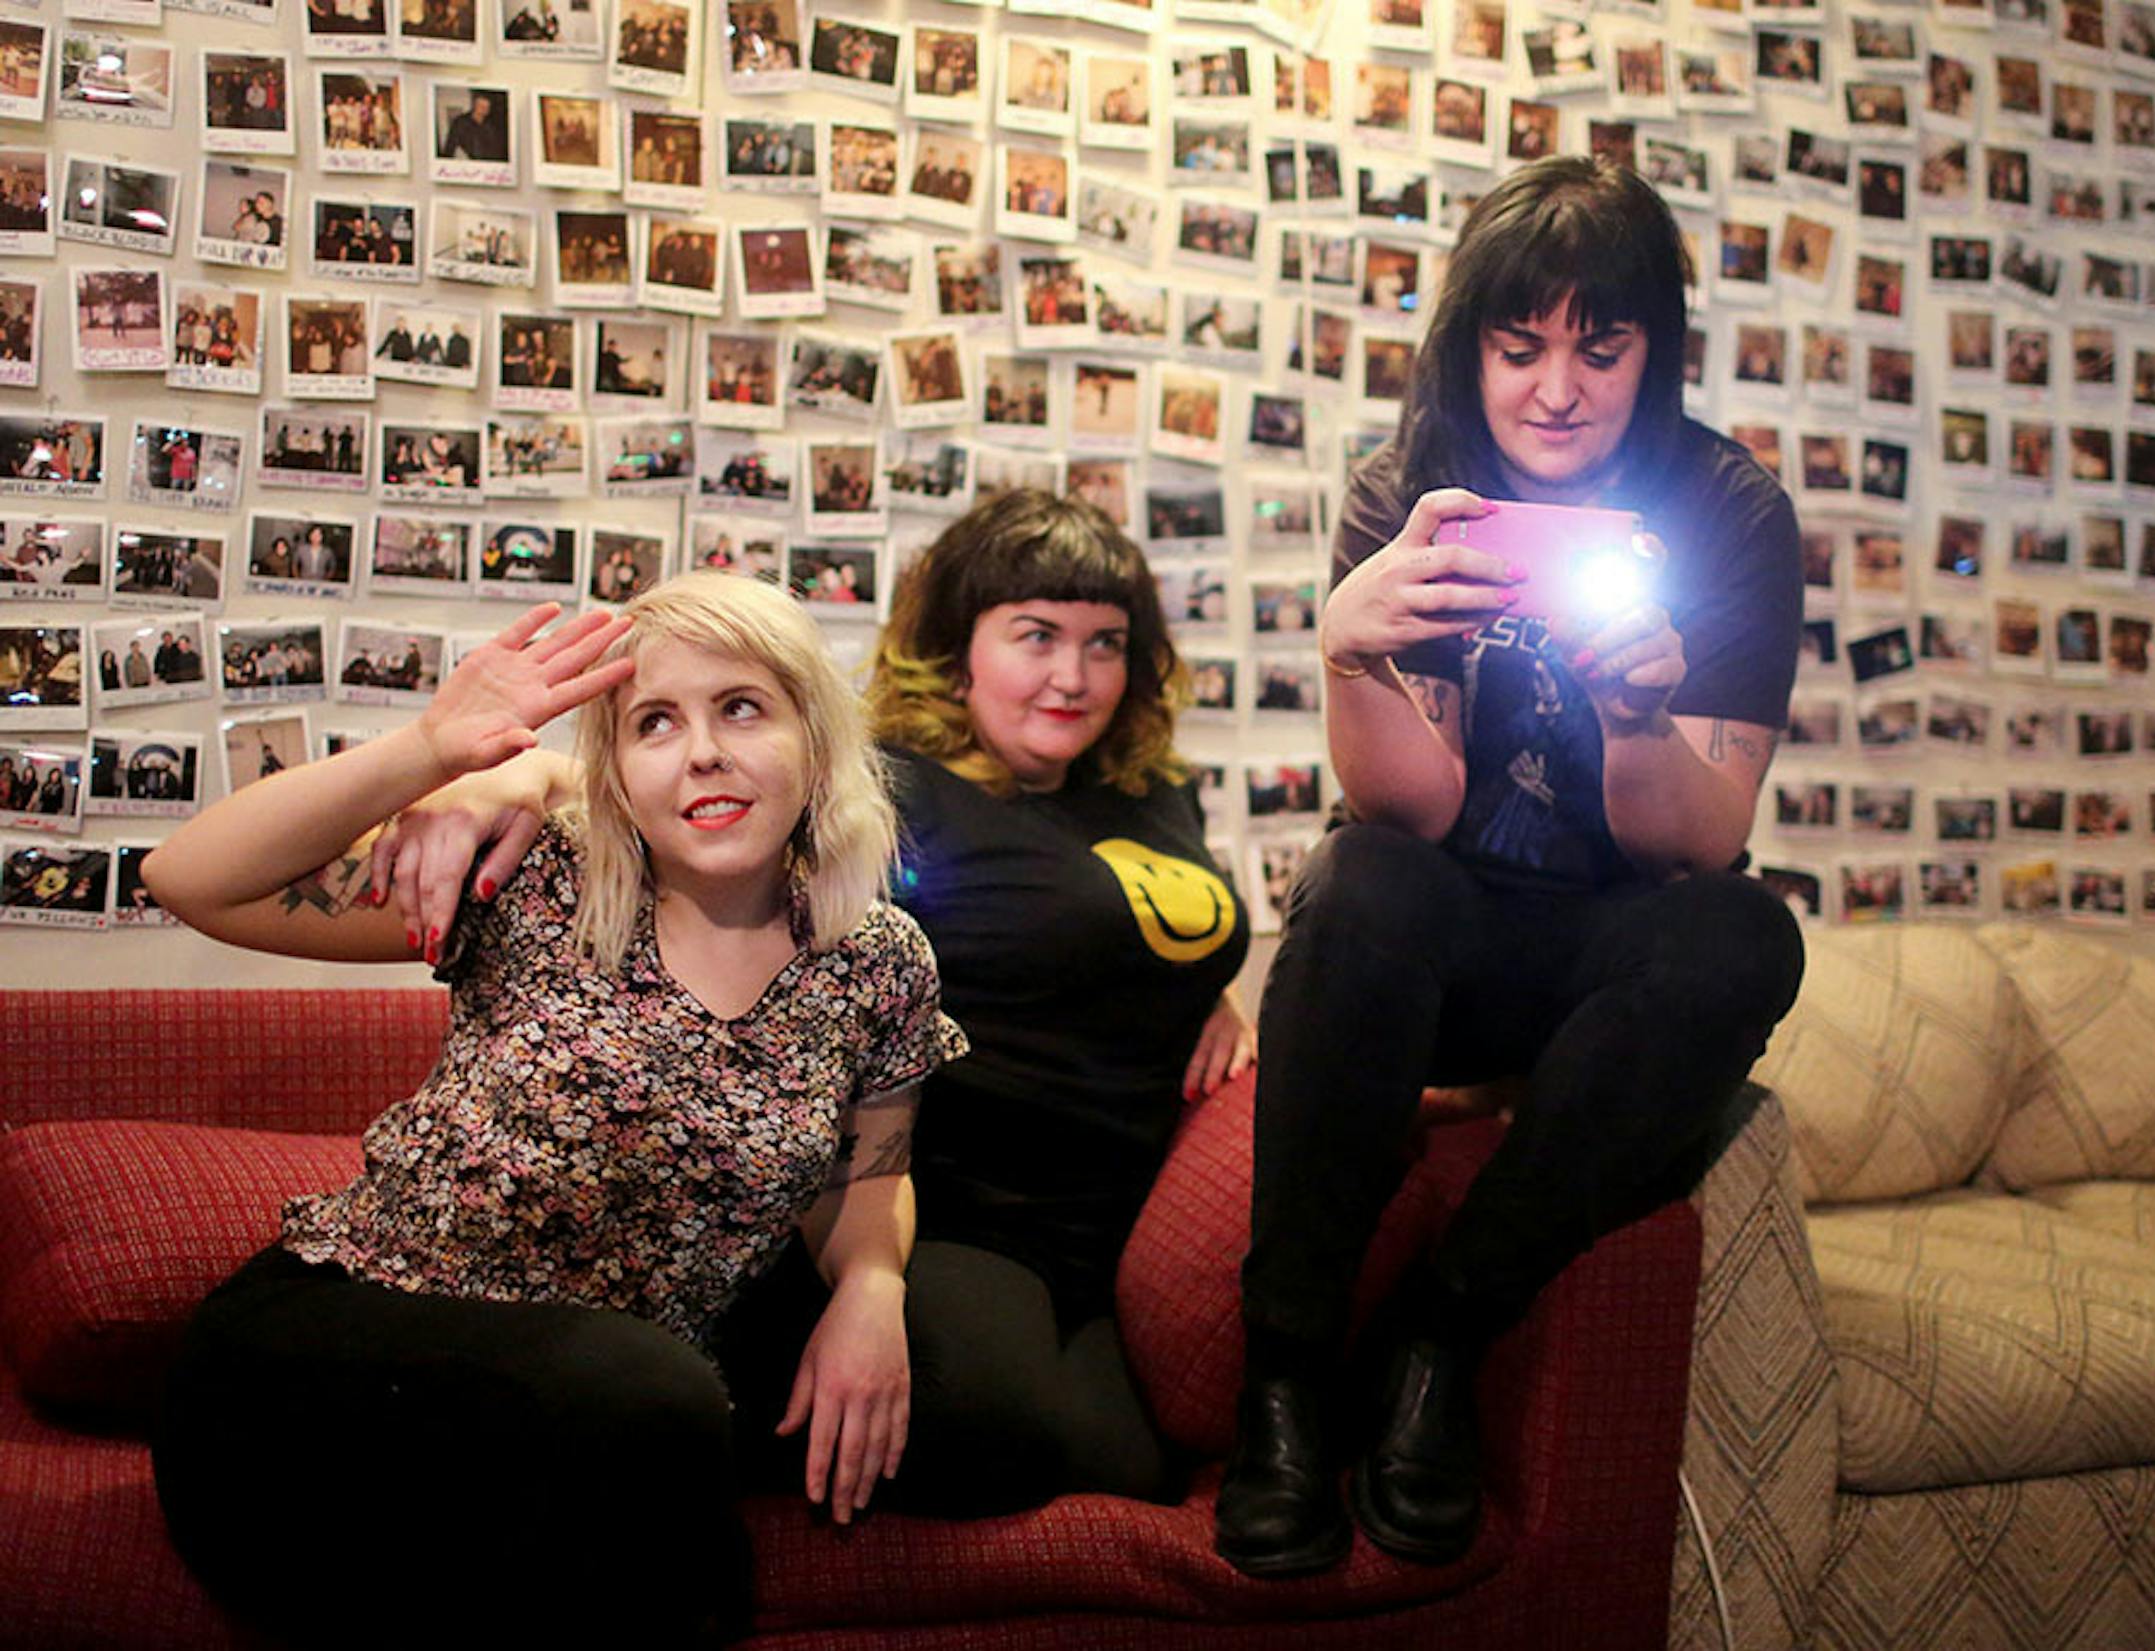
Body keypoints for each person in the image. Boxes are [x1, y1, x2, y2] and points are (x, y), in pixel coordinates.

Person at [369, 491, 1254, 1515]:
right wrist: (511, 779)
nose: (1074, 674)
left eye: (1106, 643)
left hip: (1108, 1209)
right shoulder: (897, 793)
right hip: (954, 1201)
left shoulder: (1156, 790)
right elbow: (695, 803)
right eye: (1036, 636)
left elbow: (1143, 921)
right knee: (1006, 1441)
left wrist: (1213, 992)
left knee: (1140, 1472)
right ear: (956, 648)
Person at [146, 580, 967, 1645]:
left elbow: (866, 1186)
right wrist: (438, 751)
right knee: (655, 1405)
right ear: (616, 769)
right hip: (329, 1370)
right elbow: (192, 877)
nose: (703, 752)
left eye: (744, 708)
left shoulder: (876, 961)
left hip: (582, 1418)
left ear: (814, 735)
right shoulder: (537, 880)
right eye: (655, 723)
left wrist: (871, 1283)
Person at [1212, 156, 1807, 1578]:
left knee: (1745, 934)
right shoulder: (1408, 493)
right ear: (1470, 345)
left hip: (1606, 954)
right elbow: (1407, 808)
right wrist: (1349, 644)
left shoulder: (1725, 512)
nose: (1557, 387)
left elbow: (1699, 839)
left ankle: (1444, 1324)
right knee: (1361, 879)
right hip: (1439, 936)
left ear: (1651, 355)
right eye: (1520, 344)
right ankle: (1285, 1375)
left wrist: (1634, 712)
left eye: (1601, 349)